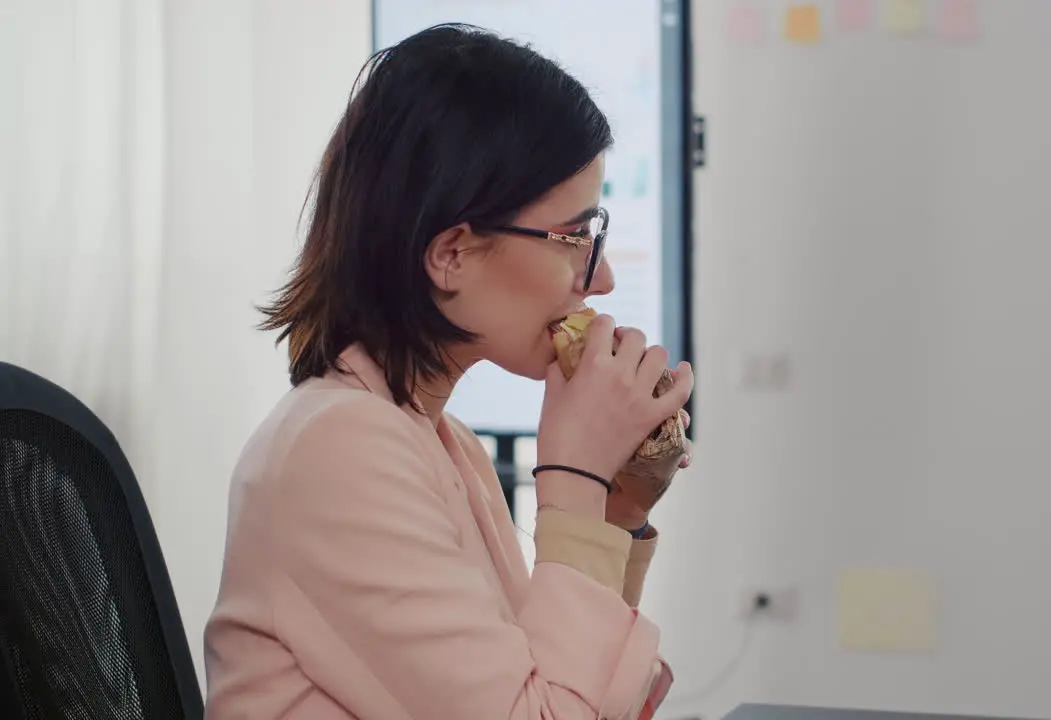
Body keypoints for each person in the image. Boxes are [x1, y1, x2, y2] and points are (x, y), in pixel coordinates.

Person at [202, 23, 694, 720]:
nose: (603, 277)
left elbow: (557, 684)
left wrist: (617, 511)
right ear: (452, 254)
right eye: (577, 238)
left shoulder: (441, 441)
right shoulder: (340, 452)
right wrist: (573, 478)